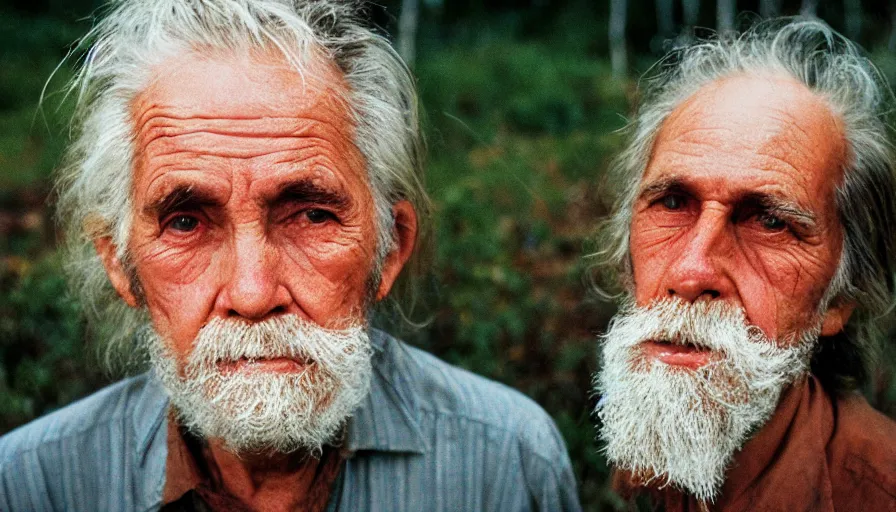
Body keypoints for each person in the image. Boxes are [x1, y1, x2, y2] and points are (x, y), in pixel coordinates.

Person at [0, 1, 581, 511]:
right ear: (121, 266)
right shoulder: (30, 484)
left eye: (310, 215)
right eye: (186, 222)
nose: (252, 294)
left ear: (390, 248)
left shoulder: (506, 462)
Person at [592, 18, 896, 510]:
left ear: (839, 298)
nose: (690, 273)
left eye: (771, 222)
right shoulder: (645, 465)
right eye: (671, 203)